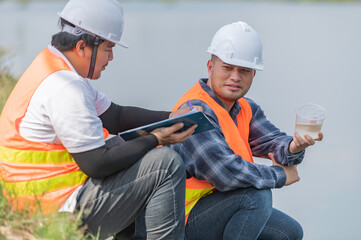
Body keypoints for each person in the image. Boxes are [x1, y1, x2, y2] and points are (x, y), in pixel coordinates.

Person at [0, 0, 200, 239]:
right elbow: (97, 163)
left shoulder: (54, 66)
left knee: (132, 148)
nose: (111, 57)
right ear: (83, 46)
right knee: (164, 164)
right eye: (108, 48)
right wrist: (156, 139)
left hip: (42, 198)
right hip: (51, 210)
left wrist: (169, 117)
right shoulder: (65, 87)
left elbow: (115, 116)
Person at [170, 21, 324, 240]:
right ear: (210, 67)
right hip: (179, 221)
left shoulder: (245, 108)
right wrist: (280, 175)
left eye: (243, 70)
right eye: (227, 68)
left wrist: (293, 146)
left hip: (218, 207)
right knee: (256, 197)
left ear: (253, 74)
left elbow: (272, 142)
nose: (235, 76)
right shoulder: (194, 111)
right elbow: (224, 173)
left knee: (289, 232)